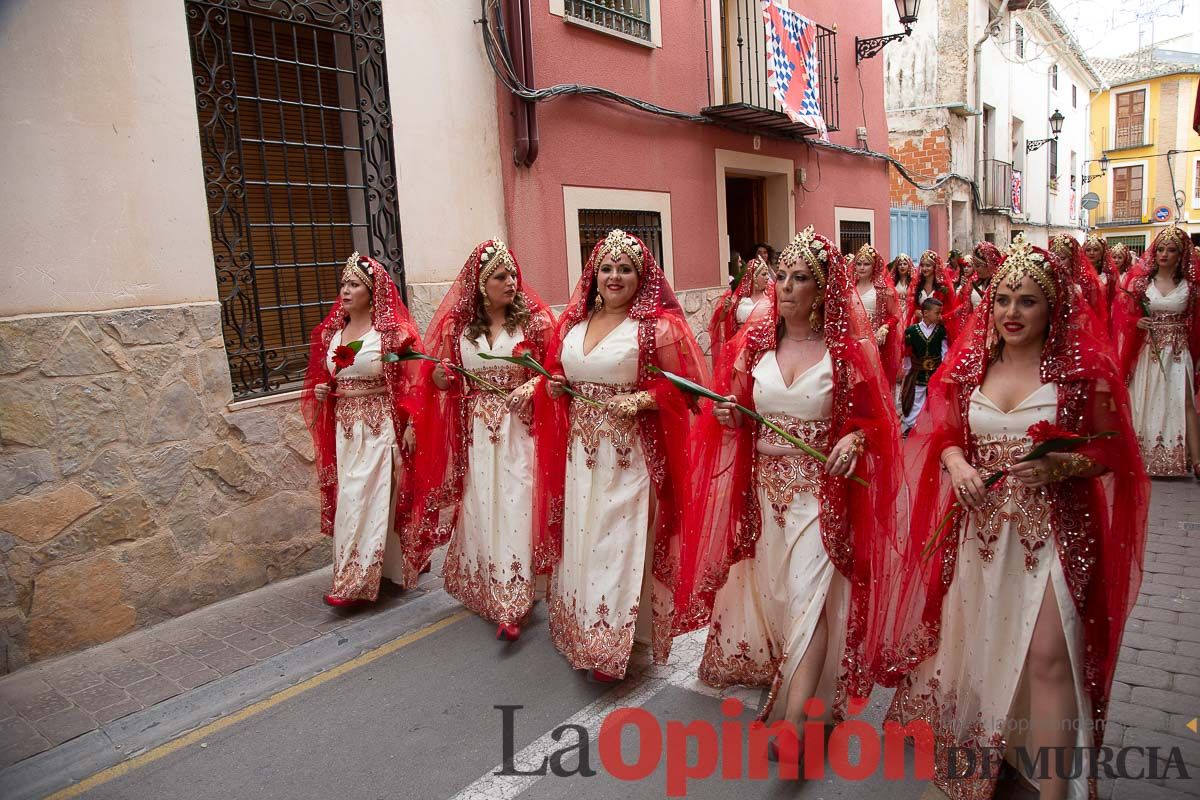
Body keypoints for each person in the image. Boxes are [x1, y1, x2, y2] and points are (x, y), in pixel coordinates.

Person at [876, 234, 1148, 800]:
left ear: (1053, 305)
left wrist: (1063, 464)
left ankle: (1052, 789)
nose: (1010, 312)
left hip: (1054, 532)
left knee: (1050, 654)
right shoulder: (971, 366)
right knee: (985, 646)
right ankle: (992, 751)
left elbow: (1113, 450)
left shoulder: (1080, 371)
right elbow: (946, 432)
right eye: (1002, 299)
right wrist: (956, 464)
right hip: (980, 533)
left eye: (1026, 300)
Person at [675, 226, 901, 743]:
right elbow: (732, 412)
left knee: (808, 596)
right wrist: (730, 415)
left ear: (822, 291)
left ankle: (796, 725)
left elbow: (874, 421)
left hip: (820, 496)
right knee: (781, 595)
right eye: (782, 275)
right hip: (766, 495)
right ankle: (808, 691)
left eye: (800, 278)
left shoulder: (845, 352)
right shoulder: (754, 346)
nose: (786, 286)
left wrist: (854, 441)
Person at [533, 229, 709, 681]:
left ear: (641, 275)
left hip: (630, 455)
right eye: (607, 268)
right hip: (581, 456)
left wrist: (643, 399)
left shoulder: (657, 328)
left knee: (618, 542)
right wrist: (556, 385)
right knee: (586, 537)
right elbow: (558, 369)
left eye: (625, 269)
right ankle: (584, 627)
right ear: (594, 275)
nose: (614, 276)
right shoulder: (573, 323)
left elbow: (690, 390)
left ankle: (612, 643)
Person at [413, 239, 556, 640]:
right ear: (480, 284)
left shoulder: (535, 324)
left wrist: (529, 390)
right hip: (478, 431)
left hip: (519, 429)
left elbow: (555, 373)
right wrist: (442, 376)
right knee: (484, 502)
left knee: (517, 502)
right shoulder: (458, 330)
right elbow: (443, 378)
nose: (510, 282)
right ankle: (487, 586)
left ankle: (515, 598)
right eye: (500, 276)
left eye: (512, 275)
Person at [300, 253, 426, 606]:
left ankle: (354, 581)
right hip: (346, 429)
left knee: (366, 497)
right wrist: (325, 390)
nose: (345, 290)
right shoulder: (332, 333)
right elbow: (327, 378)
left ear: (372, 293)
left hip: (379, 427)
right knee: (352, 497)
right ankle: (374, 569)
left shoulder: (392, 335)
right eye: (344, 284)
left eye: (354, 284)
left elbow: (415, 382)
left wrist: (412, 423)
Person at [1112, 225, 1200, 477]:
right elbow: (1121, 313)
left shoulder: (1190, 286)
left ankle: (1194, 459)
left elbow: (1196, 320)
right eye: (1160, 249)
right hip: (1147, 350)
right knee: (1144, 396)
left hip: (1177, 350)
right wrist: (1135, 322)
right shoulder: (1140, 283)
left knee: (1184, 400)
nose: (1164, 254)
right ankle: (1139, 455)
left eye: (1171, 250)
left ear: (1180, 254)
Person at [852, 243, 903, 384]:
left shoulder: (882, 289)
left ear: (873, 266)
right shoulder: (849, 287)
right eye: (859, 263)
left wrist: (885, 327)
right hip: (852, 340)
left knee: (872, 382)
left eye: (866, 264)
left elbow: (896, 314)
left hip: (873, 341)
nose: (862, 267)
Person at [900, 298, 948, 434]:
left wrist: (943, 369)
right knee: (917, 397)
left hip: (936, 371)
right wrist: (908, 370)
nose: (940, 316)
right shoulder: (911, 331)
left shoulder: (940, 331)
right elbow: (908, 354)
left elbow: (945, 351)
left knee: (935, 397)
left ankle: (935, 426)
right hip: (918, 371)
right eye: (937, 313)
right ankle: (911, 425)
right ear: (926, 313)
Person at [708, 256, 771, 360]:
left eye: (767, 274)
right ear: (753, 277)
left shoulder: (770, 299)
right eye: (763, 274)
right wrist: (725, 310)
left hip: (763, 349)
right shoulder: (739, 299)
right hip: (740, 348)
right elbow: (722, 320)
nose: (767, 278)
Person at [1050, 234, 1108, 327]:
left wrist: (1084, 317)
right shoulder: (1050, 279)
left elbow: (1095, 308)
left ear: (1072, 259)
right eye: (1054, 258)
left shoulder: (1087, 279)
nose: (1058, 262)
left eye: (1062, 258)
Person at [906, 249, 956, 328]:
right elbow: (913, 305)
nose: (924, 268)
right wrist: (916, 311)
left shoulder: (943, 286)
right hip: (921, 326)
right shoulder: (917, 285)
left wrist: (938, 316)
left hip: (938, 328)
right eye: (922, 265)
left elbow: (949, 308)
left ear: (935, 267)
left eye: (928, 265)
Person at [1082, 233, 1120, 310]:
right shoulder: (1078, 274)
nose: (1091, 253)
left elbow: (1114, 300)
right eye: (1088, 250)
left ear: (1101, 254)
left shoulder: (1109, 276)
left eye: (1095, 250)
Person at [891, 254, 915, 332]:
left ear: (909, 266)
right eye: (900, 264)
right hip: (896, 311)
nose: (902, 266)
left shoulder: (913, 281)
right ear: (897, 267)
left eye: (905, 264)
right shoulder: (893, 282)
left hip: (909, 311)